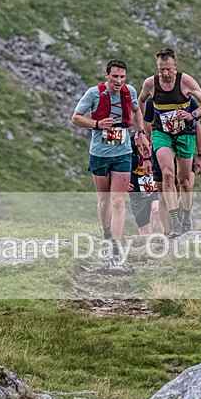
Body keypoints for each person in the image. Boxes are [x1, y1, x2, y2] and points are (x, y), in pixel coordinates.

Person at [72, 59, 150, 269]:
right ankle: (107, 234)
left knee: (118, 201)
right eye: (115, 76)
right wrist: (97, 124)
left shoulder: (130, 91)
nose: (118, 81)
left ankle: (115, 247)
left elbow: (136, 110)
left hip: (123, 153)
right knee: (104, 200)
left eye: (122, 77)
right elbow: (76, 118)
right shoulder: (93, 94)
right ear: (106, 75)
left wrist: (140, 132)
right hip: (99, 154)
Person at [138, 48, 201, 237]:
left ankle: (186, 216)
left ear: (175, 66)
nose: (165, 74)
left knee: (185, 182)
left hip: (184, 133)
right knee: (168, 173)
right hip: (162, 133)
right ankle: (175, 221)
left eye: (168, 69)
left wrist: (191, 115)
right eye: (161, 69)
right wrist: (142, 128)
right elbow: (140, 102)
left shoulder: (185, 81)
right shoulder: (150, 83)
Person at [144, 96, 201, 234]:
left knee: (185, 185)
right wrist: (146, 158)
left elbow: (199, 129)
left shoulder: (189, 101)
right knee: (162, 194)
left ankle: (185, 219)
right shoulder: (151, 102)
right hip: (162, 148)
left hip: (183, 144)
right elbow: (147, 131)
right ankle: (170, 231)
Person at [127, 139, 161, 235]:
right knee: (145, 230)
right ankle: (148, 246)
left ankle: (160, 241)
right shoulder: (129, 145)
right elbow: (119, 164)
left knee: (157, 210)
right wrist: (123, 182)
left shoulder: (158, 140)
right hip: (137, 190)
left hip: (155, 187)